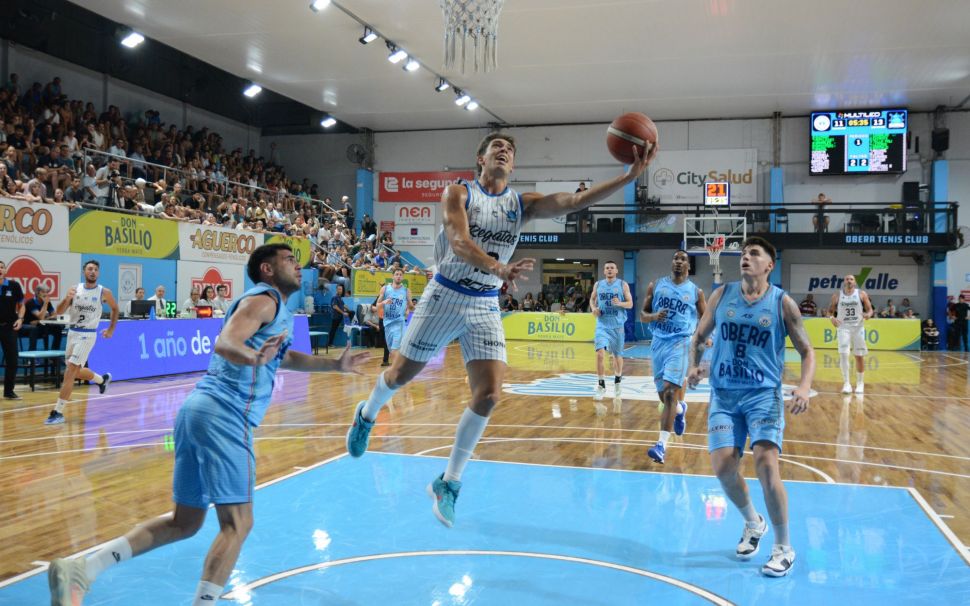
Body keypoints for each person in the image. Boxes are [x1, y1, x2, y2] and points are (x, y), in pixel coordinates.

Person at [344, 131, 656, 527]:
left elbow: (574, 201)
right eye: (497, 147)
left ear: (514, 163)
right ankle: (367, 414)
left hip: (484, 302)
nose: (504, 151)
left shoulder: (520, 204)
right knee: (399, 375)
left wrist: (628, 177)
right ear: (481, 158)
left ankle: (449, 482)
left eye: (510, 149)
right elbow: (459, 242)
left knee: (490, 394)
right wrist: (498, 267)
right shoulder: (459, 193)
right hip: (445, 294)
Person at [47, 244, 370, 606]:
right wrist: (253, 357)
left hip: (197, 411)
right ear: (267, 269)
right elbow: (226, 342)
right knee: (238, 524)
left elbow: (281, 357)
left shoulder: (272, 308)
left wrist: (333, 366)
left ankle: (83, 569)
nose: (298, 266)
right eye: (289, 260)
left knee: (184, 523)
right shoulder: (264, 300)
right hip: (226, 414)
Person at [687, 236, 815, 578]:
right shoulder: (722, 294)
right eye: (743, 253)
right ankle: (753, 522)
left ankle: (783, 547)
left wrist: (804, 387)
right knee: (723, 468)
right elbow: (698, 337)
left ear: (769, 265)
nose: (746, 257)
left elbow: (807, 351)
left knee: (766, 465)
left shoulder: (782, 303)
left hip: (762, 395)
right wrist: (694, 366)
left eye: (754, 253)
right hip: (724, 395)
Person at [641, 250, 706, 463]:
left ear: (689, 265)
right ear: (672, 263)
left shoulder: (696, 292)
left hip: (680, 343)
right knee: (665, 397)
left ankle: (661, 446)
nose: (678, 262)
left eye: (683, 259)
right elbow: (643, 315)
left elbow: (706, 318)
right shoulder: (656, 285)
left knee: (670, 392)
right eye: (676, 258)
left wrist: (706, 337)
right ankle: (680, 410)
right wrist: (653, 316)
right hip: (658, 343)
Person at [43, 260, 118, 425]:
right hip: (72, 333)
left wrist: (111, 329)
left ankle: (58, 412)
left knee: (70, 371)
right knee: (75, 372)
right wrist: (66, 299)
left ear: (98, 273)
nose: (93, 271)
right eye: (90, 269)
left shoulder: (104, 292)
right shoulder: (75, 289)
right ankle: (101, 380)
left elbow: (115, 308)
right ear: (84, 271)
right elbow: (59, 312)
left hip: (87, 334)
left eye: (96, 269)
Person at [590, 261, 633, 401]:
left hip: (617, 326)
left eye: (612, 268)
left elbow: (630, 304)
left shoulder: (622, 284)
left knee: (617, 356)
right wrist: (594, 309)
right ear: (604, 271)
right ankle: (601, 385)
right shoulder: (598, 284)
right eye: (607, 268)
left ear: (616, 270)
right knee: (599, 354)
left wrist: (620, 303)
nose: (609, 270)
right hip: (602, 324)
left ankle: (618, 381)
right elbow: (592, 299)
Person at [826, 274, 874, 394]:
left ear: (855, 282)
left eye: (851, 279)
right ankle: (846, 384)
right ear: (844, 282)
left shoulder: (861, 294)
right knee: (843, 354)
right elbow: (829, 312)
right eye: (847, 279)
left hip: (858, 327)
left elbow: (870, 310)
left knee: (859, 355)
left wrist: (868, 315)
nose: (849, 281)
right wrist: (832, 318)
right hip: (843, 327)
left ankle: (860, 383)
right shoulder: (837, 295)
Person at [376, 269, 413, 366]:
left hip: (399, 323)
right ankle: (404, 363)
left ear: (403, 277)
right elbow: (377, 305)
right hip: (387, 323)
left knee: (394, 349)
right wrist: (384, 302)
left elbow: (411, 306)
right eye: (397, 274)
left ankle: (399, 369)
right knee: (391, 350)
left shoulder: (406, 291)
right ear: (393, 276)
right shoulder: (385, 289)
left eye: (400, 275)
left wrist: (409, 309)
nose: (399, 276)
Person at [0, 260, 26, 399]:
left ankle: (9, 392)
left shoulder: (14, 286)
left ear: (5, 270)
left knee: (12, 360)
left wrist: (20, 319)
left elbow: (21, 305)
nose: (0, 269)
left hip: (9, 327)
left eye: (2, 267)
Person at [24, 283, 64, 351]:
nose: (46, 294)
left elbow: (54, 315)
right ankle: (32, 354)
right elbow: (41, 317)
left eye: (47, 292)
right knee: (39, 328)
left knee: (58, 328)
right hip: (29, 326)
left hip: (40, 325)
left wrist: (44, 319)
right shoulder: (31, 302)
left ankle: (54, 352)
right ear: (37, 293)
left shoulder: (47, 303)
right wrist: (45, 304)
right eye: (43, 292)